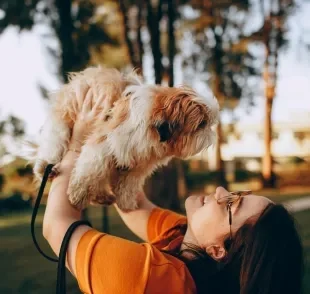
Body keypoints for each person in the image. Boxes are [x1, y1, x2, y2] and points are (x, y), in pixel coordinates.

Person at [43, 84, 304, 294]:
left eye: (230, 205)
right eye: (236, 195)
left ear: (217, 251)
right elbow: (133, 206)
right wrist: (119, 133)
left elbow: (56, 225)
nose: (221, 191)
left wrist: (78, 141)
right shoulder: (184, 236)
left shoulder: (146, 278)